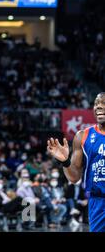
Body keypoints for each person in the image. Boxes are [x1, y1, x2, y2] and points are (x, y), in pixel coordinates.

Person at [47, 92, 105, 232]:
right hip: (97, 202)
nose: (98, 107)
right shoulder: (83, 136)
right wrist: (65, 161)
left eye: (103, 103)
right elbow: (74, 178)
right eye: (96, 103)